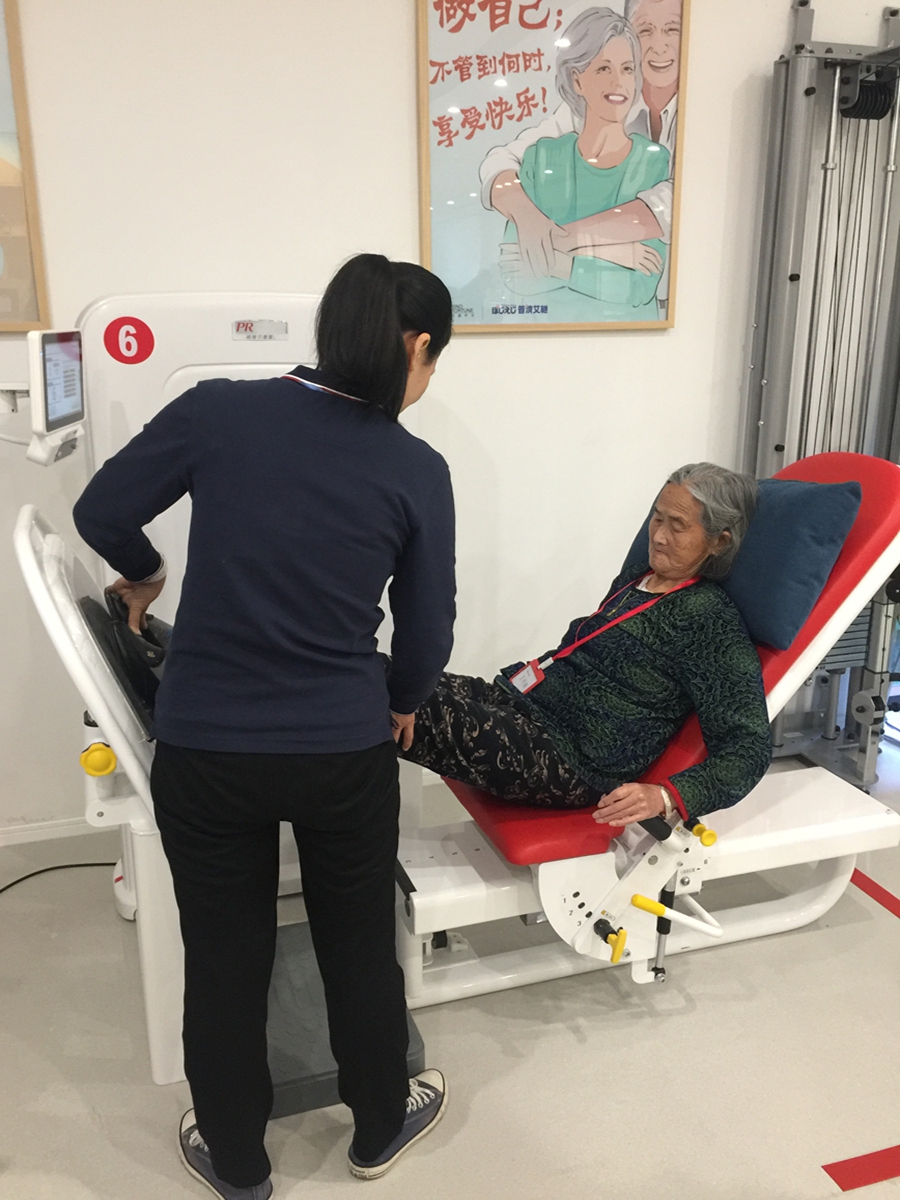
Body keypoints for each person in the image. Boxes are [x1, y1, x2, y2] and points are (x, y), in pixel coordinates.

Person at [73, 254, 456, 1199]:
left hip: (206, 753)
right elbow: (429, 626)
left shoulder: (216, 411)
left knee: (225, 953)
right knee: (358, 944)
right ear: (415, 346)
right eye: (435, 360)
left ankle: (238, 1161)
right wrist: (401, 701)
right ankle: (377, 1127)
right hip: (341, 751)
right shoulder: (416, 467)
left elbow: (101, 511)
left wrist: (146, 571)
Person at [402, 463, 772, 826]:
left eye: (678, 526)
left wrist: (665, 796)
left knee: (396, 701)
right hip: (525, 704)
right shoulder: (635, 580)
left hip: (570, 759)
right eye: (657, 519)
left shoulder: (709, 620)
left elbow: (748, 747)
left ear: (718, 542)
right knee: (387, 674)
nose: (658, 536)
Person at [482, 0, 682, 316]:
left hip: (631, 342)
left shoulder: (655, 160)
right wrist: (617, 253)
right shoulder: (541, 157)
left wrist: (559, 255)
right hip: (540, 338)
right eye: (603, 68)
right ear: (577, 80)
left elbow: (637, 286)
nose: (618, 82)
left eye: (627, 69)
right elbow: (516, 273)